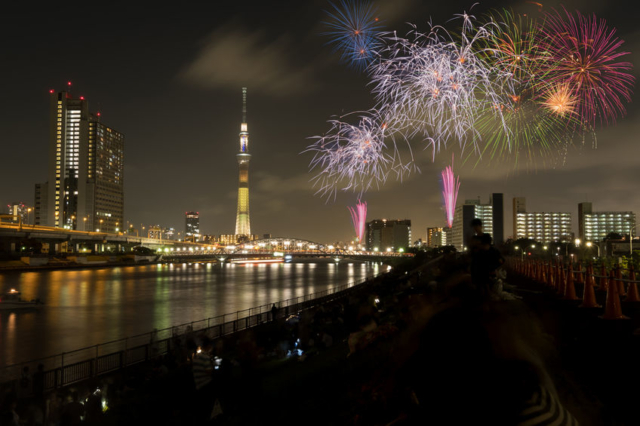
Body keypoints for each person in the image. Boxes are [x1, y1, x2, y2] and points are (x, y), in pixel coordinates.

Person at [470, 234, 505, 299]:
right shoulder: (492, 251)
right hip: (483, 280)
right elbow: (501, 261)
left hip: (485, 280)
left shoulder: (481, 253)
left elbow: (501, 261)